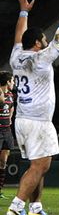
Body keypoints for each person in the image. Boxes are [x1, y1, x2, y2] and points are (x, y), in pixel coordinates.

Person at [7, 0, 59, 215]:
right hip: (38, 121)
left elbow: (19, 36)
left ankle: (36, 207)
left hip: (22, 119)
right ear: (37, 43)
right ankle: (17, 206)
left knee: (40, 163)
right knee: (40, 166)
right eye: (43, 40)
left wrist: (23, 13)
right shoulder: (41, 58)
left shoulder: (16, 57)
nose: (46, 43)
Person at [0, 71, 15, 199]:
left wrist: (10, 116)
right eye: (12, 80)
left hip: (7, 130)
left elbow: (11, 106)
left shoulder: (10, 94)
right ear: (7, 82)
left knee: (3, 161)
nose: (14, 83)